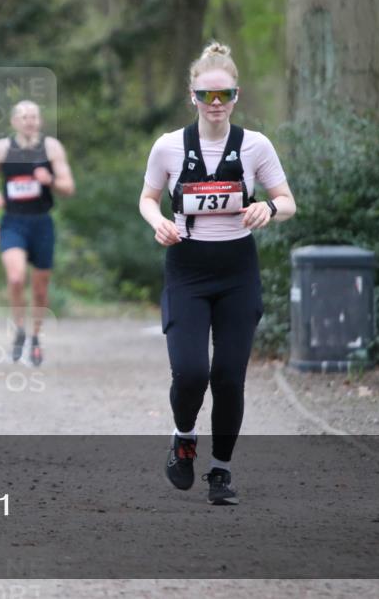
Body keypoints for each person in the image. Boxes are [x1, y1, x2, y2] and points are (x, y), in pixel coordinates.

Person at [138, 42, 296, 505]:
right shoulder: (168, 147)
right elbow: (148, 198)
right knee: (190, 373)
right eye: (205, 96)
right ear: (192, 97)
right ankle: (183, 437)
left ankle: (221, 471)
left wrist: (268, 207)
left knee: (228, 376)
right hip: (187, 268)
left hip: (237, 271)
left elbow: (288, 201)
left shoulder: (254, 146)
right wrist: (158, 222)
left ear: (236, 95)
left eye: (223, 95)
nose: (215, 104)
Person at [0, 100, 75, 366]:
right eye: (23, 116)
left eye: (33, 116)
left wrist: (51, 181)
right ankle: (20, 329)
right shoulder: (2, 148)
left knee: (40, 288)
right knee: (15, 277)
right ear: (14, 122)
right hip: (13, 222)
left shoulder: (51, 148)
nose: (29, 120)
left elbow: (68, 186)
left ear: (39, 120)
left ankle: (35, 337)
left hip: (41, 223)